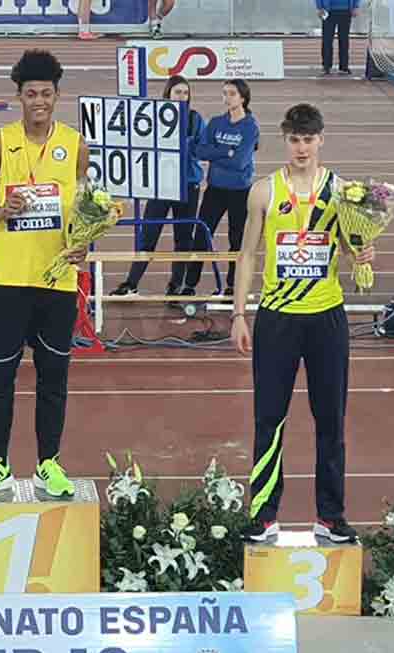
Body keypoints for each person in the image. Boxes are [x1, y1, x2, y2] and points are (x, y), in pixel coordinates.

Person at [230, 103, 370, 545]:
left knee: (331, 419)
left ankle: (330, 516)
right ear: (284, 140)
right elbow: (248, 254)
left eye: (309, 139)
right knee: (268, 419)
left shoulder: (342, 192)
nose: (302, 147)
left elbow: (351, 247)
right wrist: (238, 314)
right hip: (277, 319)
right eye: (294, 139)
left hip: (326, 317)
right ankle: (263, 515)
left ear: (321, 140)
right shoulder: (263, 192)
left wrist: (362, 255)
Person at [0, 49, 88, 499]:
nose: (39, 101)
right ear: (18, 96)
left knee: (53, 377)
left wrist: (85, 244)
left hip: (57, 281)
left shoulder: (75, 145)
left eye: (47, 94)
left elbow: (85, 212)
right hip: (8, 281)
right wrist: (0, 210)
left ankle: (48, 464)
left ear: (57, 96)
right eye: (31, 94)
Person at [111, 75, 204, 297]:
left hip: (187, 185)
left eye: (185, 92)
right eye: (177, 92)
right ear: (168, 94)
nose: (181, 96)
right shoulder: (154, 116)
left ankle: (176, 285)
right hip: (160, 185)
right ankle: (131, 283)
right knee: (149, 234)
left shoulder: (195, 119)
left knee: (183, 238)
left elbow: (201, 149)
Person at [185, 79, 260, 296]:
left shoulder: (250, 127)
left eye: (232, 94)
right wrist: (225, 151)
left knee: (236, 239)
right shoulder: (216, 123)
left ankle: (232, 285)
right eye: (224, 93)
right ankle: (190, 284)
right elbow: (199, 151)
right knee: (201, 235)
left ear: (243, 98)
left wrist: (217, 152)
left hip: (239, 191)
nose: (227, 98)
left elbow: (240, 162)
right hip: (215, 189)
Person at [316, 0, 360, 76]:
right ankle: (326, 66)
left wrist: (355, 7)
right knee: (327, 40)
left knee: (344, 40)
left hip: (346, 10)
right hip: (328, 11)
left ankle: (344, 67)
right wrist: (320, 7)